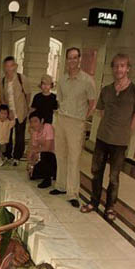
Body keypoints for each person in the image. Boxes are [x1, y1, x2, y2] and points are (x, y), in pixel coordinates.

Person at [81, 53, 135, 221]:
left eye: (122, 66)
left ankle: (110, 207)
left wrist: (125, 132)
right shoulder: (106, 90)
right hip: (102, 138)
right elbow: (101, 111)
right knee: (96, 173)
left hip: (120, 142)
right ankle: (94, 202)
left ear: (128, 68)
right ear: (112, 68)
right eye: (116, 66)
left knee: (114, 177)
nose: (119, 69)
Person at [51, 47, 96, 207]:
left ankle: (72, 193)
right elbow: (60, 100)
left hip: (76, 123)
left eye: (75, 57)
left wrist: (83, 118)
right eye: (70, 57)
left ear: (79, 59)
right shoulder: (62, 79)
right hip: (61, 119)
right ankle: (61, 186)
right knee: (60, 154)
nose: (72, 60)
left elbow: (92, 103)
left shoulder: (87, 80)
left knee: (74, 158)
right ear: (66, 60)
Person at [0, 56, 30, 165]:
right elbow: (2, 98)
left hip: (20, 112)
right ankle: (7, 155)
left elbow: (28, 94)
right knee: (7, 135)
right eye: (7, 66)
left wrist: (26, 108)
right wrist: (7, 111)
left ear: (15, 66)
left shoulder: (22, 78)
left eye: (11, 65)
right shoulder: (2, 81)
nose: (9, 68)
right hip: (9, 113)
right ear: (4, 67)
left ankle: (17, 156)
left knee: (19, 136)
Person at [27, 113, 57, 188]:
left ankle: (48, 179)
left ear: (42, 120)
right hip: (45, 157)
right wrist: (31, 165)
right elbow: (33, 149)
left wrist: (34, 151)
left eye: (35, 121)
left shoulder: (48, 127)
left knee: (45, 154)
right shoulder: (34, 132)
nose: (33, 124)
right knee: (32, 176)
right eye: (31, 122)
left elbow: (48, 148)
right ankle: (51, 173)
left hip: (54, 156)